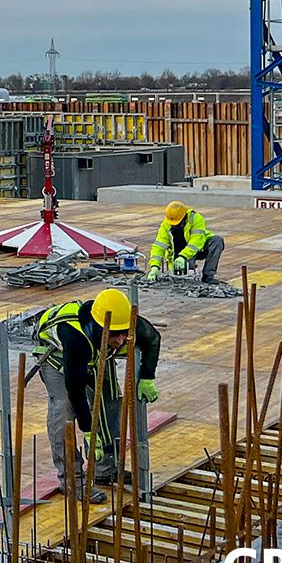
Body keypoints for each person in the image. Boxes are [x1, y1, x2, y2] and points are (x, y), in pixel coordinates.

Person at [33, 288, 162, 503]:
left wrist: (148, 376)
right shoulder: (75, 338)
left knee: (111, 402)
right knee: (65, 410)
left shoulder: (125, 323)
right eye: (115, 334)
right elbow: (76, 391)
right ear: (99, 327)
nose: (121, 340)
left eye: (125, 333)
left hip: (98, 354)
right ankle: (72, 481)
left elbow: (153, 339)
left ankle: (106, 468)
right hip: (57, 359)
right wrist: (88, 431)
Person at [149, 201, 223, 282]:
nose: (174, 225)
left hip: (197, 249)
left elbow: (196, 242)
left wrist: (183, 256)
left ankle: (208, 276)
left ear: (184, 217)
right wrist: (154, 267)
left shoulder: (196, 219)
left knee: (217, 241)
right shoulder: (166, 224)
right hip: (178, 252)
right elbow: (159, 246)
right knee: (183, 276)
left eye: (177, 223)